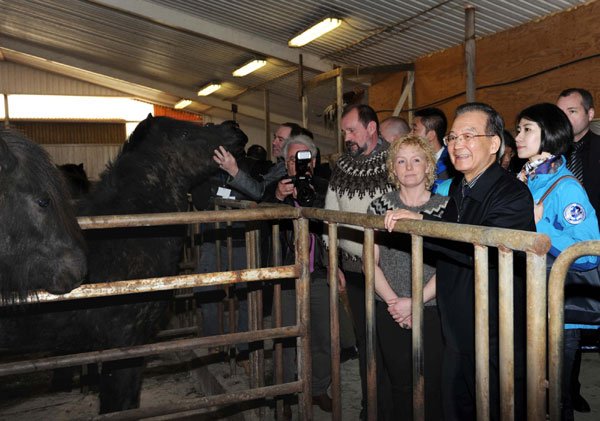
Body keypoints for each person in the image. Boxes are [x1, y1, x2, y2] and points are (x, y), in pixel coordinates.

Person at [385, 102, 535, 421]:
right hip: (457, 329)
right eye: (452, 138)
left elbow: (478, 246)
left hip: (495, 333)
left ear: (494, 144)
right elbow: (450, 239)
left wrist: (422, 225)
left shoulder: (512, 194)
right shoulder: (459, 187)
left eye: (469, 135)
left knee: (498, 408)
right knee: (457, 408)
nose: (457, 145)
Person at [514, 103, 600, 421]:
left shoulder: (566, 188)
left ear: (549, 135)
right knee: (531, 393)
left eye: (527, 130)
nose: (518, 136)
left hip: (559, 314)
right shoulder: (526, 179)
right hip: (531, 305)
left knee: (555, 400)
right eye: (518, 129)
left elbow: (590, 251)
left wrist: (543, 229)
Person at [367, 134, 448, 421]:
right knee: (399, 384)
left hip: (433, 306)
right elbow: (370, 261)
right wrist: (395, 304)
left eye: (416, 160)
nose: (409, 167)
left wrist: (415, 302)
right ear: (393, 168)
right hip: (390, 308)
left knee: (435, 385)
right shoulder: (379, 206)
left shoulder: (446, 208)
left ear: (429, 166)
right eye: (401, 161)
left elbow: (449, 265)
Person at [323, 104, 394, 419]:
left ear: (372, 128)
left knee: (391, 343)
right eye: (344, 132)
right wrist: (331, 259)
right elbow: (329, 214)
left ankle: (396, 407)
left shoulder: (397, 160)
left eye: (352, 130)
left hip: (389, 270)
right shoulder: (341, 167)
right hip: (352, 269)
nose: (347, 137)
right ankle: (371, 407)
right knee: (366, 342)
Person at [264, 134, 332, 416]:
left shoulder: (326, 189)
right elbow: (261, 218)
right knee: (286, 339)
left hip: (319, 274)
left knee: (324, 337)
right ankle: (287, 395)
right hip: (286, 276)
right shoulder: (274, 190)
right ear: (285, 163)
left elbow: (329, 224)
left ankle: (319, 388)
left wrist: (310, 195)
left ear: (313, 162)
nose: (297, 164)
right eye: (292, 159)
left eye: (303, 158)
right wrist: (279, 197)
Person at [214, 122, 312, 201]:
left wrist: (234, 170)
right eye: (274, 137)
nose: (274, 142)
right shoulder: (278, 166)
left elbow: (261, 192)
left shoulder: (291, 170)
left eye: (280, 139)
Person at [557, 88, 600, 221]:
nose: (564, 118)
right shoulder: (549, 154)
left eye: (572, 111)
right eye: (560, 113)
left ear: (590, 114)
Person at [412, 107, 455, 190]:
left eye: (414, 129)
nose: (410, 134)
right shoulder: (412, 162)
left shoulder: (450, 168)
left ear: (431, 135)